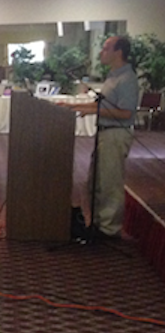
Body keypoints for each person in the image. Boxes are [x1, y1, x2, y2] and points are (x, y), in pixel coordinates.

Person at [58, 36, 139, 239]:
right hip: (104, 133)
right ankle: (97, 224)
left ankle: (110, 230)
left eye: (106, 48)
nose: (101, 52)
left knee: (110, 183)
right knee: (97, 182)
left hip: (116, 134)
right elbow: (103, 106)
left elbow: (125, 113)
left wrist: (95, 111)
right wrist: (72, 107)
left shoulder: (127, 79)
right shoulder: (113, 76)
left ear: (118, 52)